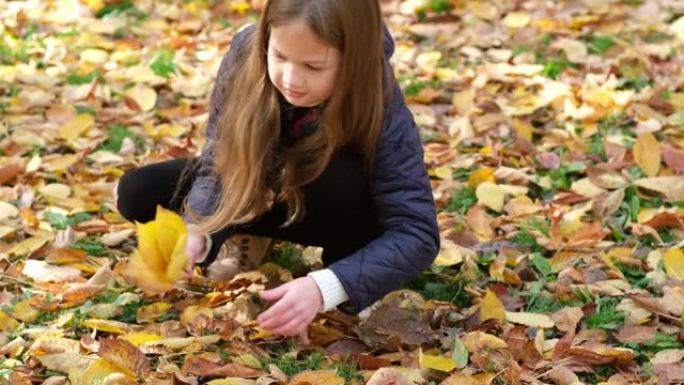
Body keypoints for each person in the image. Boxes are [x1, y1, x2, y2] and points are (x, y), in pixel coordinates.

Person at [115, 0, 439, 337]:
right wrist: (200, 229)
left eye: (314, 66)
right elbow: (220, 162)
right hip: (266, 187)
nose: (290, 78)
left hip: (337, 203)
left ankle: (351, 269)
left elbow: (417, 231)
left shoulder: (377, 93)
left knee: (334, 174)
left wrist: (324, 287)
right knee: (140, 192)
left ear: (352, 62)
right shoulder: (246, 54)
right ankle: (246, 234)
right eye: (279, 56)